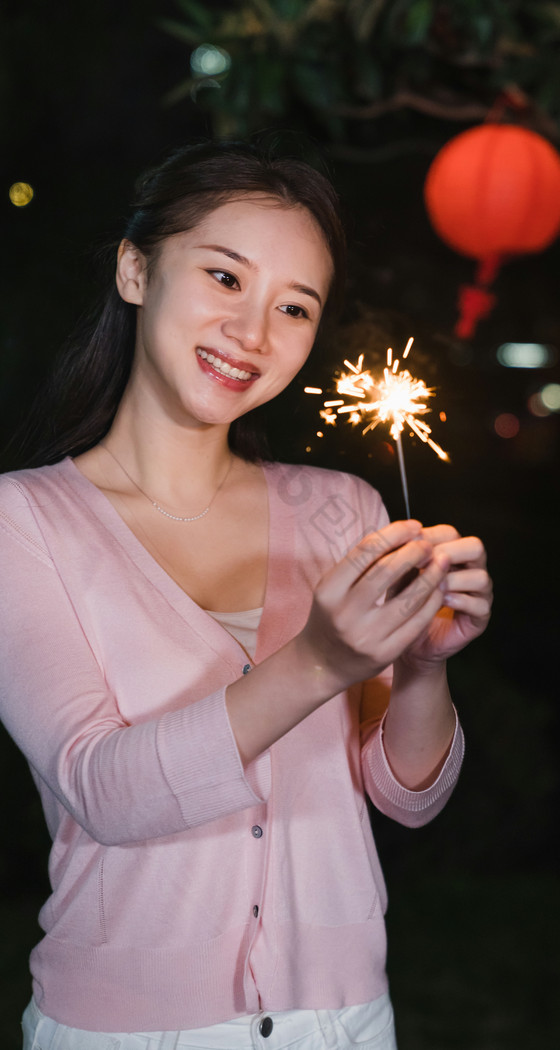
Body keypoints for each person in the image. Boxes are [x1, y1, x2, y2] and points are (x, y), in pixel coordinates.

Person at [0, 140, 493, 1050]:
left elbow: (407, 798)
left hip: (340, 1019)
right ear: (136, 268)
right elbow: (103, 791)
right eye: (225, 278)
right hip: (124, 1031)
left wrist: (423, 666)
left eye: (293, 307)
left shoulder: (343, 509)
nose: (253, 334)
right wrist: (317, 663)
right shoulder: (22, 524)